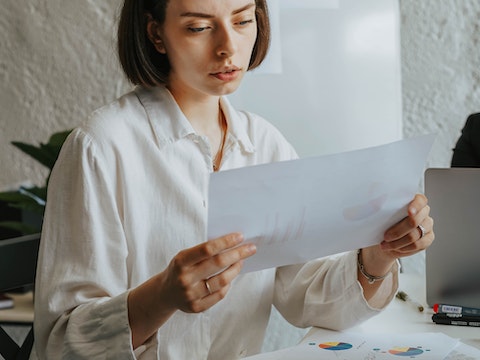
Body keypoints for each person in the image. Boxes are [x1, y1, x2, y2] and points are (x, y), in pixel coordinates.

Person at [33, 0, 434, 358]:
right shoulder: (101, 147)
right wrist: (162, 296)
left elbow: (307, 295)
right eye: (199, 27)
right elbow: (61, 342)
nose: (228, 47)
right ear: (156, 33)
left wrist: (380, 254)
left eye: (243, 20)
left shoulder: (264, 144)